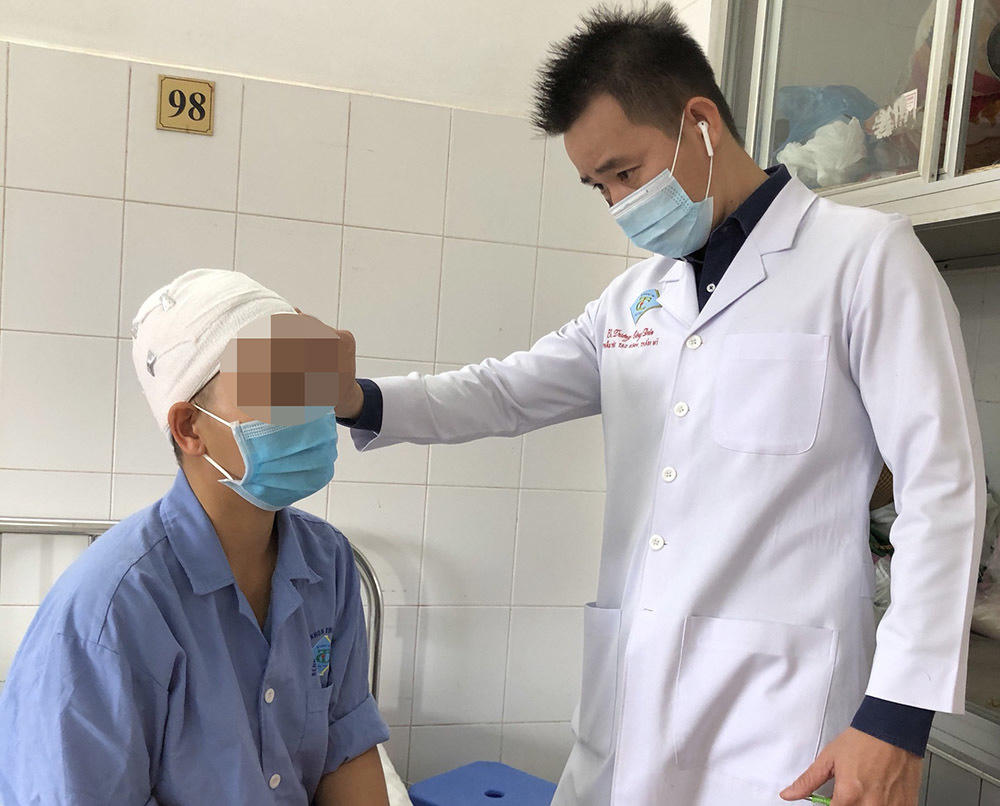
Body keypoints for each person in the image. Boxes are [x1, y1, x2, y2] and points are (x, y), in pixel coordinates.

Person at [331, 5, 986, 806]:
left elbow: (941, 489)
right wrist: (354, 398)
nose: (618, 202)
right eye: (599, 186)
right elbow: (506, 390)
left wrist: (896, 717)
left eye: (626, 172)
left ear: (700, 125)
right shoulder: (635, 300)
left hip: (781, 721)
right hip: (628, 711)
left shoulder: (864, 260)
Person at [0, 269, 390, 806]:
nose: (309, 407)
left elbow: (344, 752)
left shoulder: (330, 564)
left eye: (308, 381)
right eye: (275, 386)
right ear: (189, 428)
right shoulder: (110, 612)